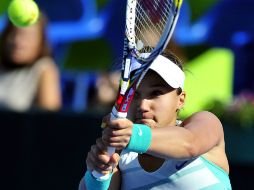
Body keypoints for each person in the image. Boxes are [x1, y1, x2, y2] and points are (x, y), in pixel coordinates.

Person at [79, 52, 232, 189]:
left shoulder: (206, 121)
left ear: (181, 99)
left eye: (156, 93)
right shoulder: (119, 156)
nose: (143, 105)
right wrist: (99, 175)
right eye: (135, 95)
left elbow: (190, 144)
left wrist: (132, 135)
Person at [0, 13, 61, 112]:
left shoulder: (44, 69)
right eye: (12, 33)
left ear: (40, 41)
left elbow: (50, 119)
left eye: (26, 36)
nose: (17, 42)